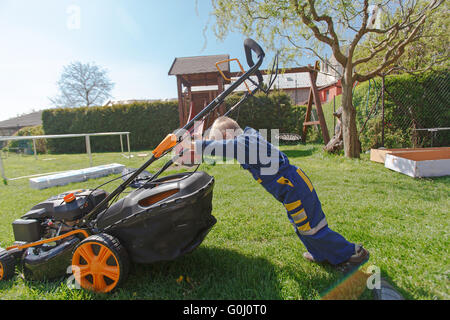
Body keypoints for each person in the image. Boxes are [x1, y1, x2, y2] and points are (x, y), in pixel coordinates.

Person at [184, 116, 369, 273]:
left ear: (227, 136)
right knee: (301, 225)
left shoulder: (246, 141)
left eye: (220, 141)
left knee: (312, 227)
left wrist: (193, 144)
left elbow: (231, 147)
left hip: (295, 187)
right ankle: (320, 254)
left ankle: (352, 253)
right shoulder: (248, 140)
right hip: (290, 191)